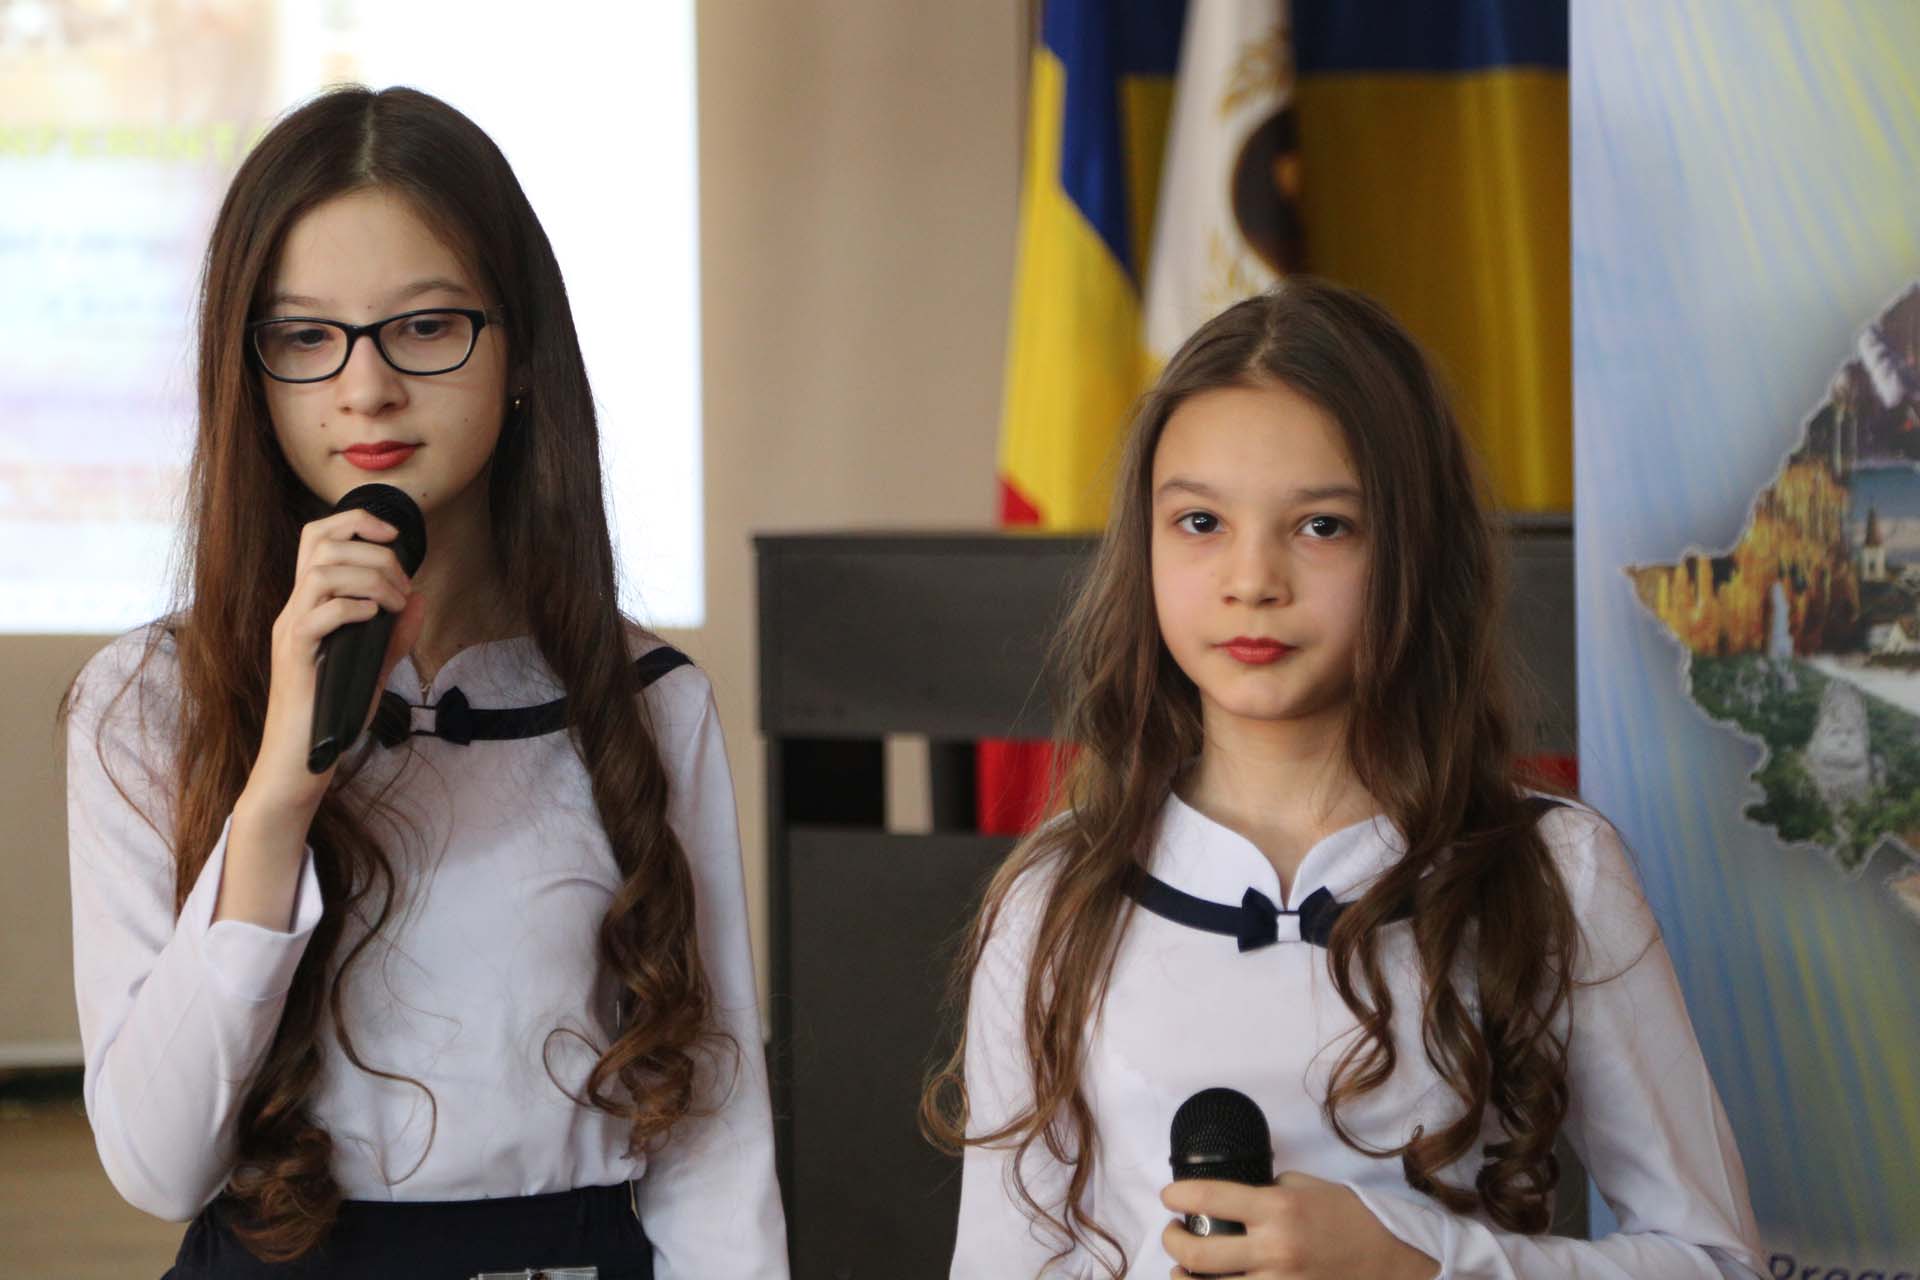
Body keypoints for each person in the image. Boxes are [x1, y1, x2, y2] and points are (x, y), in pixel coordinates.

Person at [63, 85, 787, 1279]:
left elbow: (714, 1136)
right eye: (306, 337)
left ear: (519, 350)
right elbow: (158, 1164)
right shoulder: (146, 698)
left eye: (426, 324)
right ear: (250, 374)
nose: (366, 388)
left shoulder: (649, 699)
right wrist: (280, 794)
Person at [925, 280, 1764, 1279]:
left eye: (1321, 526)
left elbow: (1717, 1261)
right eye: (1200, 521)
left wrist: (1420, 1262)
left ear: (1415, 548)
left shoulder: (1552, 868)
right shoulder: (1057, 898)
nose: (1252, 580)